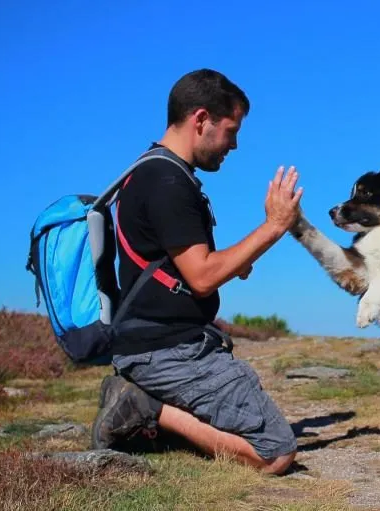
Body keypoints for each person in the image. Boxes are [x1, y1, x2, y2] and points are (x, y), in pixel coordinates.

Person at [90, 69, 302, 475]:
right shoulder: (167, 181)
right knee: (274, 452)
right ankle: (145, 406)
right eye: (231, 131)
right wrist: (275, 226)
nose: (234, 145)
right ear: (201, 119)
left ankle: (148, 410)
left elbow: (183, 264)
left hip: (157, 344)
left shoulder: (151, 171)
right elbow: (202, 277)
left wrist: (236, 262)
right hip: (167, 350)